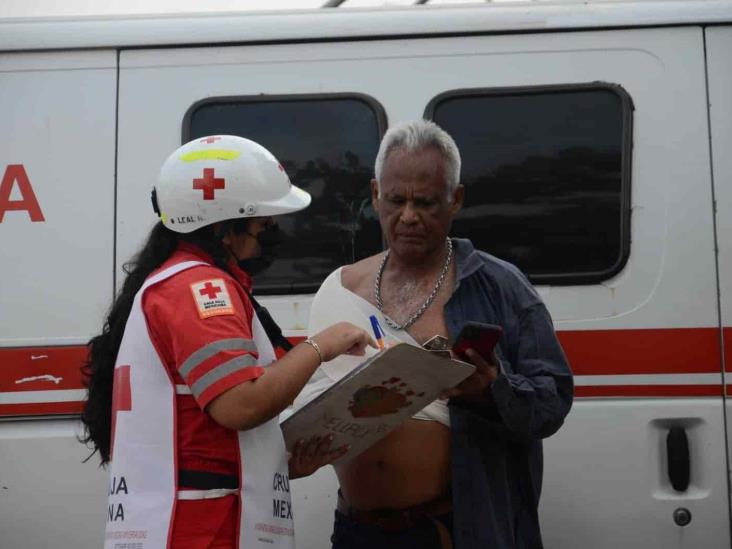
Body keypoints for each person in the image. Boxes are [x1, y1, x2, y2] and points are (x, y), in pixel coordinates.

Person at [80, 135, 374, 549]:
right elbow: (241, 404)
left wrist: (279, 464)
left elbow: (194, 436)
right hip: (202, 528)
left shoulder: (179, 280)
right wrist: (324, 343)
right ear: (222, 225)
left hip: (192, 521)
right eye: (263, 221)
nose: (272, 230)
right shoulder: (199, 286)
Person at [294, 120, 574, 549]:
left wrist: (490, 390)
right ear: (374, 194)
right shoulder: (340, 288)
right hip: (357, 532)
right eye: (395, 200)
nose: (408, 217)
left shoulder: (499, 286)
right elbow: (315, 401)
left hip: (453, 531)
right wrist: (303, 450)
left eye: (425, 203)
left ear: (455, 199)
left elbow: (551, 400)